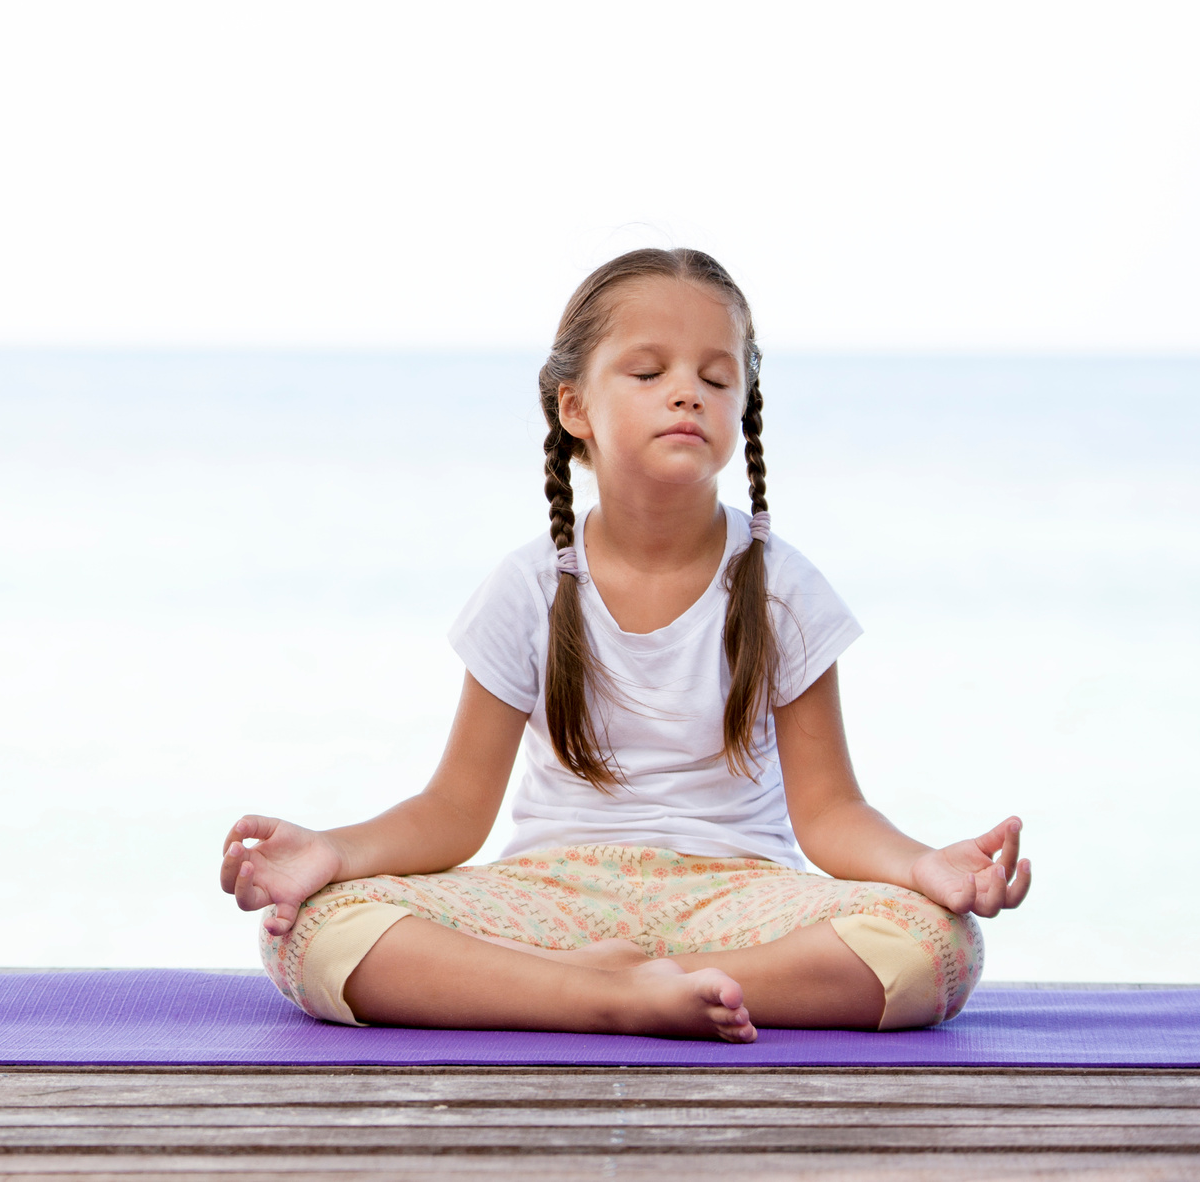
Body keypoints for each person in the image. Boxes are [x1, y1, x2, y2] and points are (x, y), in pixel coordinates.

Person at [218, 248, 1031, 1041]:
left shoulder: (781, 584)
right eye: (649, 373)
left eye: (715, 379)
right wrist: (331, 851)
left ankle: (628, 983)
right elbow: (454, 812)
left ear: (739, 407)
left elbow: (830, 814)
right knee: (313, 930)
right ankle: (606, 997)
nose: (687, 392)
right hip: (551, 895)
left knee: (934, 946)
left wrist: (925, 867)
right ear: (574, 408)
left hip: (737, 899)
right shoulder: (530, 586)